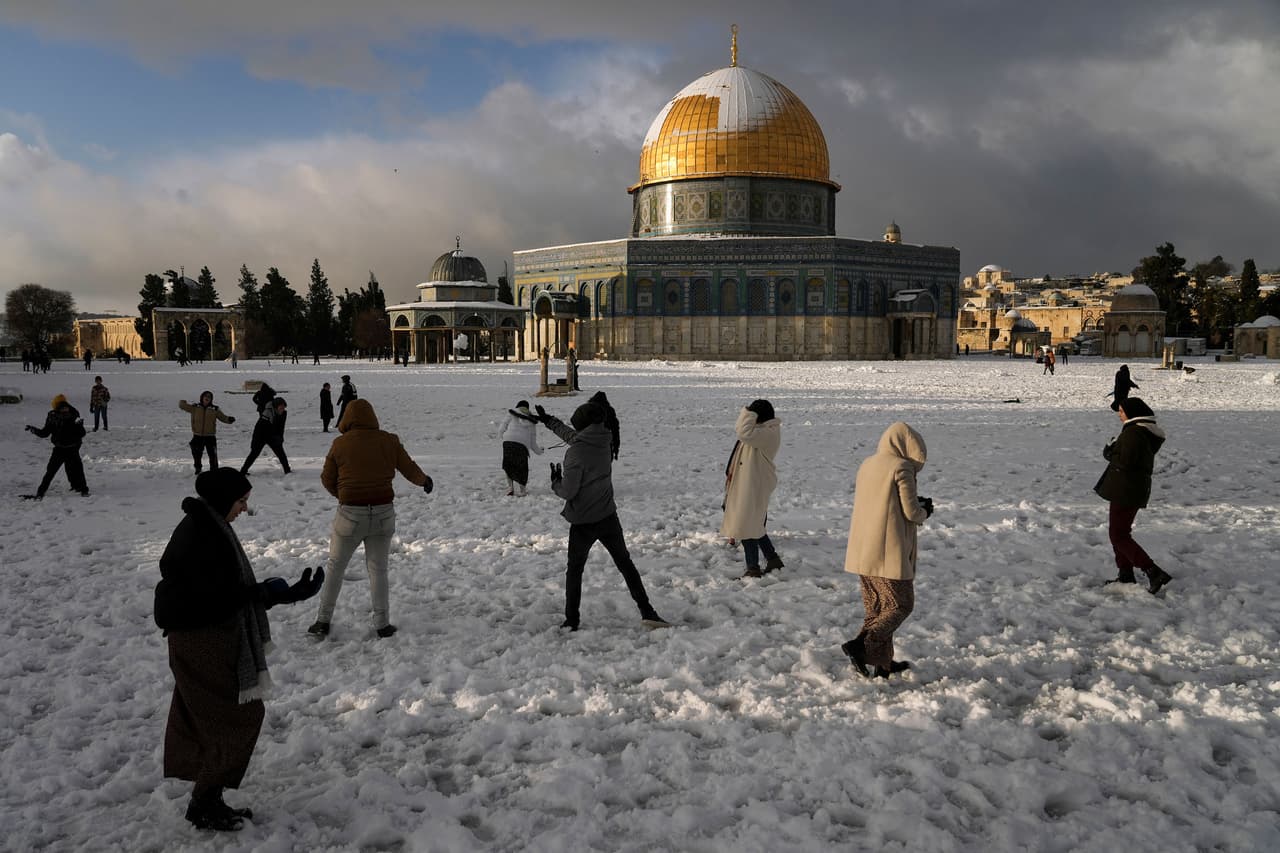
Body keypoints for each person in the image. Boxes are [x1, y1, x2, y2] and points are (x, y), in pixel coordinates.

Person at [154, 468, 323, 831]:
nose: (245, 509)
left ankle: (208, 799)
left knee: (222, 719)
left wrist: (277, 594)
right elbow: (214, 598)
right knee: (239, 718)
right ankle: (203, 803)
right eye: (241, 501)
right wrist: (267, 594)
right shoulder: (203, 535)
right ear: (222, 500)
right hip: (201, 641)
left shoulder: (210, 526)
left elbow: (221, 593)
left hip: (208, 637)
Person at [534, 402, 668, 631]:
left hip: (583, 521)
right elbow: (574, 436)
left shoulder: (576, 452)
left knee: (575, 570)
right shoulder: (605, 440)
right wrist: (549, 421)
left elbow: (568, 491)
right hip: (607, 516)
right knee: (626, 565)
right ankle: (648, 612)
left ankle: (572, 620)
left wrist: (556, 482)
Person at [309, 399, 433, 639]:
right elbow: (409, 468)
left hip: (349, 515)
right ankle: (382, 623)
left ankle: (322, 620)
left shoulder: (340, 444)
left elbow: (326, 479)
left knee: (335, 567)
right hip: (383, 513)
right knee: (378, 570)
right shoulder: (389, 440)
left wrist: (343, 495)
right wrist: (424, 481)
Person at [841, 422, 931, 680]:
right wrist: (926, 511)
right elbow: (911, 512)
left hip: (863, 550)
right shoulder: (901, 467)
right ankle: (861, 647)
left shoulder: (867, 464)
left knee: (877, 609)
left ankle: (883, 663)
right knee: (901, 605)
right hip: (887, 553)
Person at [1094, 397, 1172, 593]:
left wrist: (1109, 452)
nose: (1119, 415)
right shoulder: (1142, 431)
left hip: (1126, 489)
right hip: (1131, 488)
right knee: (1119, 533)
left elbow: (1125, 462)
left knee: (1118, 535)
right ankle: (1125, 574)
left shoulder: (1134, 433)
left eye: (1122, 411)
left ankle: (1152, 571)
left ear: (1133, 413)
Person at [721, 400, 784, 579]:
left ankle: (753, 568)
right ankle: (772, 558)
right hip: (751, 484)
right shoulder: (763, 431)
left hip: (754, 485)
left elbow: (742, 431)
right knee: (754, 524)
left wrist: (748, 412)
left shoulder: (766, 433)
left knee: (747, 526)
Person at [25, 394, 89, 498]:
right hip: (61, 448)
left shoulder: (73, 415)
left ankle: (82, 489)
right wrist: (33, 429)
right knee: (52, 471)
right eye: (63, 408)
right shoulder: (53, 417)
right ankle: (41, 492)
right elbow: (44, 433)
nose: (65, 410)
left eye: (66, 408)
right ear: (57, 408)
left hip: (72, 447)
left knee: (76, 469)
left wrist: (79, 426)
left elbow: (82, 433)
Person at [180, 391, 236, 475]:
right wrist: (182, 401)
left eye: (209, 397)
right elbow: (182, 406)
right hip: (197, 436)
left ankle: (214, 471)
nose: (207, 398)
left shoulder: (215, 409)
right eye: (205, 396)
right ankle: (198, 469)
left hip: (210, 437)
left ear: (211, 399)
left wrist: (229, 419)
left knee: (213, 455)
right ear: (202, 398)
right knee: (197, 455)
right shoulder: (195, 408)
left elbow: (223, 418)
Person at [499, 400, 543, 496]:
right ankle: (522, 490)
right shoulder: (531, 421)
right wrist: (540, 451)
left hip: (508, 441)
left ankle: (510, 488)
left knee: (508, 465)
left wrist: (504, 437)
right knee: (522, 467)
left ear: (517, 406)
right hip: (522, 445)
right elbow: (532, 443)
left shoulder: (511, 413)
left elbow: (501, 428)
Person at [241, 397, 291, 475]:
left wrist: (280, 438)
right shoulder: (267, 413)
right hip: (261, 434)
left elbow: (281, 427)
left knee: (281, 453)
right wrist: (255, 443)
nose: (282, 409)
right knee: (254, 453)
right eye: (280, 408)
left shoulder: (284, 414)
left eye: (283, 407)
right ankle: (243, 471)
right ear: (275, 407)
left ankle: (287, 471)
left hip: (273, 434)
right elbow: (262, 428)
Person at [588, 391, 620, 460]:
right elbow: (615, 431)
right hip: (606, 444)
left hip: (589, 443)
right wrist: (616, 449)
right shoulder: (609, 410)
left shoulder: (588, 409)